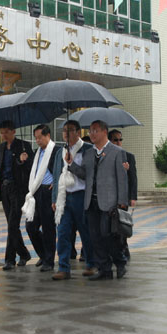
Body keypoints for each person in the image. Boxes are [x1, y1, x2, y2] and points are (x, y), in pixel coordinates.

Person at [67, 120, 128, 280]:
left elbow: (122, 178)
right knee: (95, 237)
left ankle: (120, 262)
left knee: (108, 235)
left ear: (104, 132)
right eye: (90, 131)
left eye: (95, 131)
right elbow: (84, 174)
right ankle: (104, 269)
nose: (92, 134)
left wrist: (122, 201)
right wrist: (71, 164)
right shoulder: (89, 153)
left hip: (109, 202)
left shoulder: (116, 152)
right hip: (91, 202)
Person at [51, 120, 96, 280]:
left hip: (81, 196)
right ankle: (63, 267)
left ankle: (91, 264)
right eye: (64, 130)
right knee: (63, 232)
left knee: (85, 232)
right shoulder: (60, 152)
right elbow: (56, 176)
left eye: (70, 130)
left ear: (78, 132)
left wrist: (71, 165)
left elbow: (88, 174)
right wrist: (54, 198)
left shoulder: (88, 150)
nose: (66, 133)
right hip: (64, 197)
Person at [0, 120, 34, 270]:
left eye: (6, 132)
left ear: (13, 131)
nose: (4, 135)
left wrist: (23, 160)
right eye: (1, 133)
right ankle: (23, 254)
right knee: (12, 226)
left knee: (12, 224)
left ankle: (9, 259)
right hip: (4, 189)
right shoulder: (1, 148)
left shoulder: (24, 146)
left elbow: (31, 167)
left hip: (18, 190)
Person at [22, 124, 60, 272]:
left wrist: (56, 182)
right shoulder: (37, 153)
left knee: (48, 227)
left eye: (40, 137)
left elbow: (64, 169)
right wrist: (24, 160)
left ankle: (49, 261)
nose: (37, 141)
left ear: (48, 135)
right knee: (30, 226)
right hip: (36, 192)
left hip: (48, 192)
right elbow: (34, 172)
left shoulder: (57, 151)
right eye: (36, 138)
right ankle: (43, 255)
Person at [108, 129, 137, 262]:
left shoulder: (128, 157)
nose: (119, 142)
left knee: (121, 224)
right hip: (108, 197)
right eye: (115, 140)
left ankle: (123, 248)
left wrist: (132, 197)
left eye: (120, 139)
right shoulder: (105, 156)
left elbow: (133, 178)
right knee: (109, 226)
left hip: (122, 198)